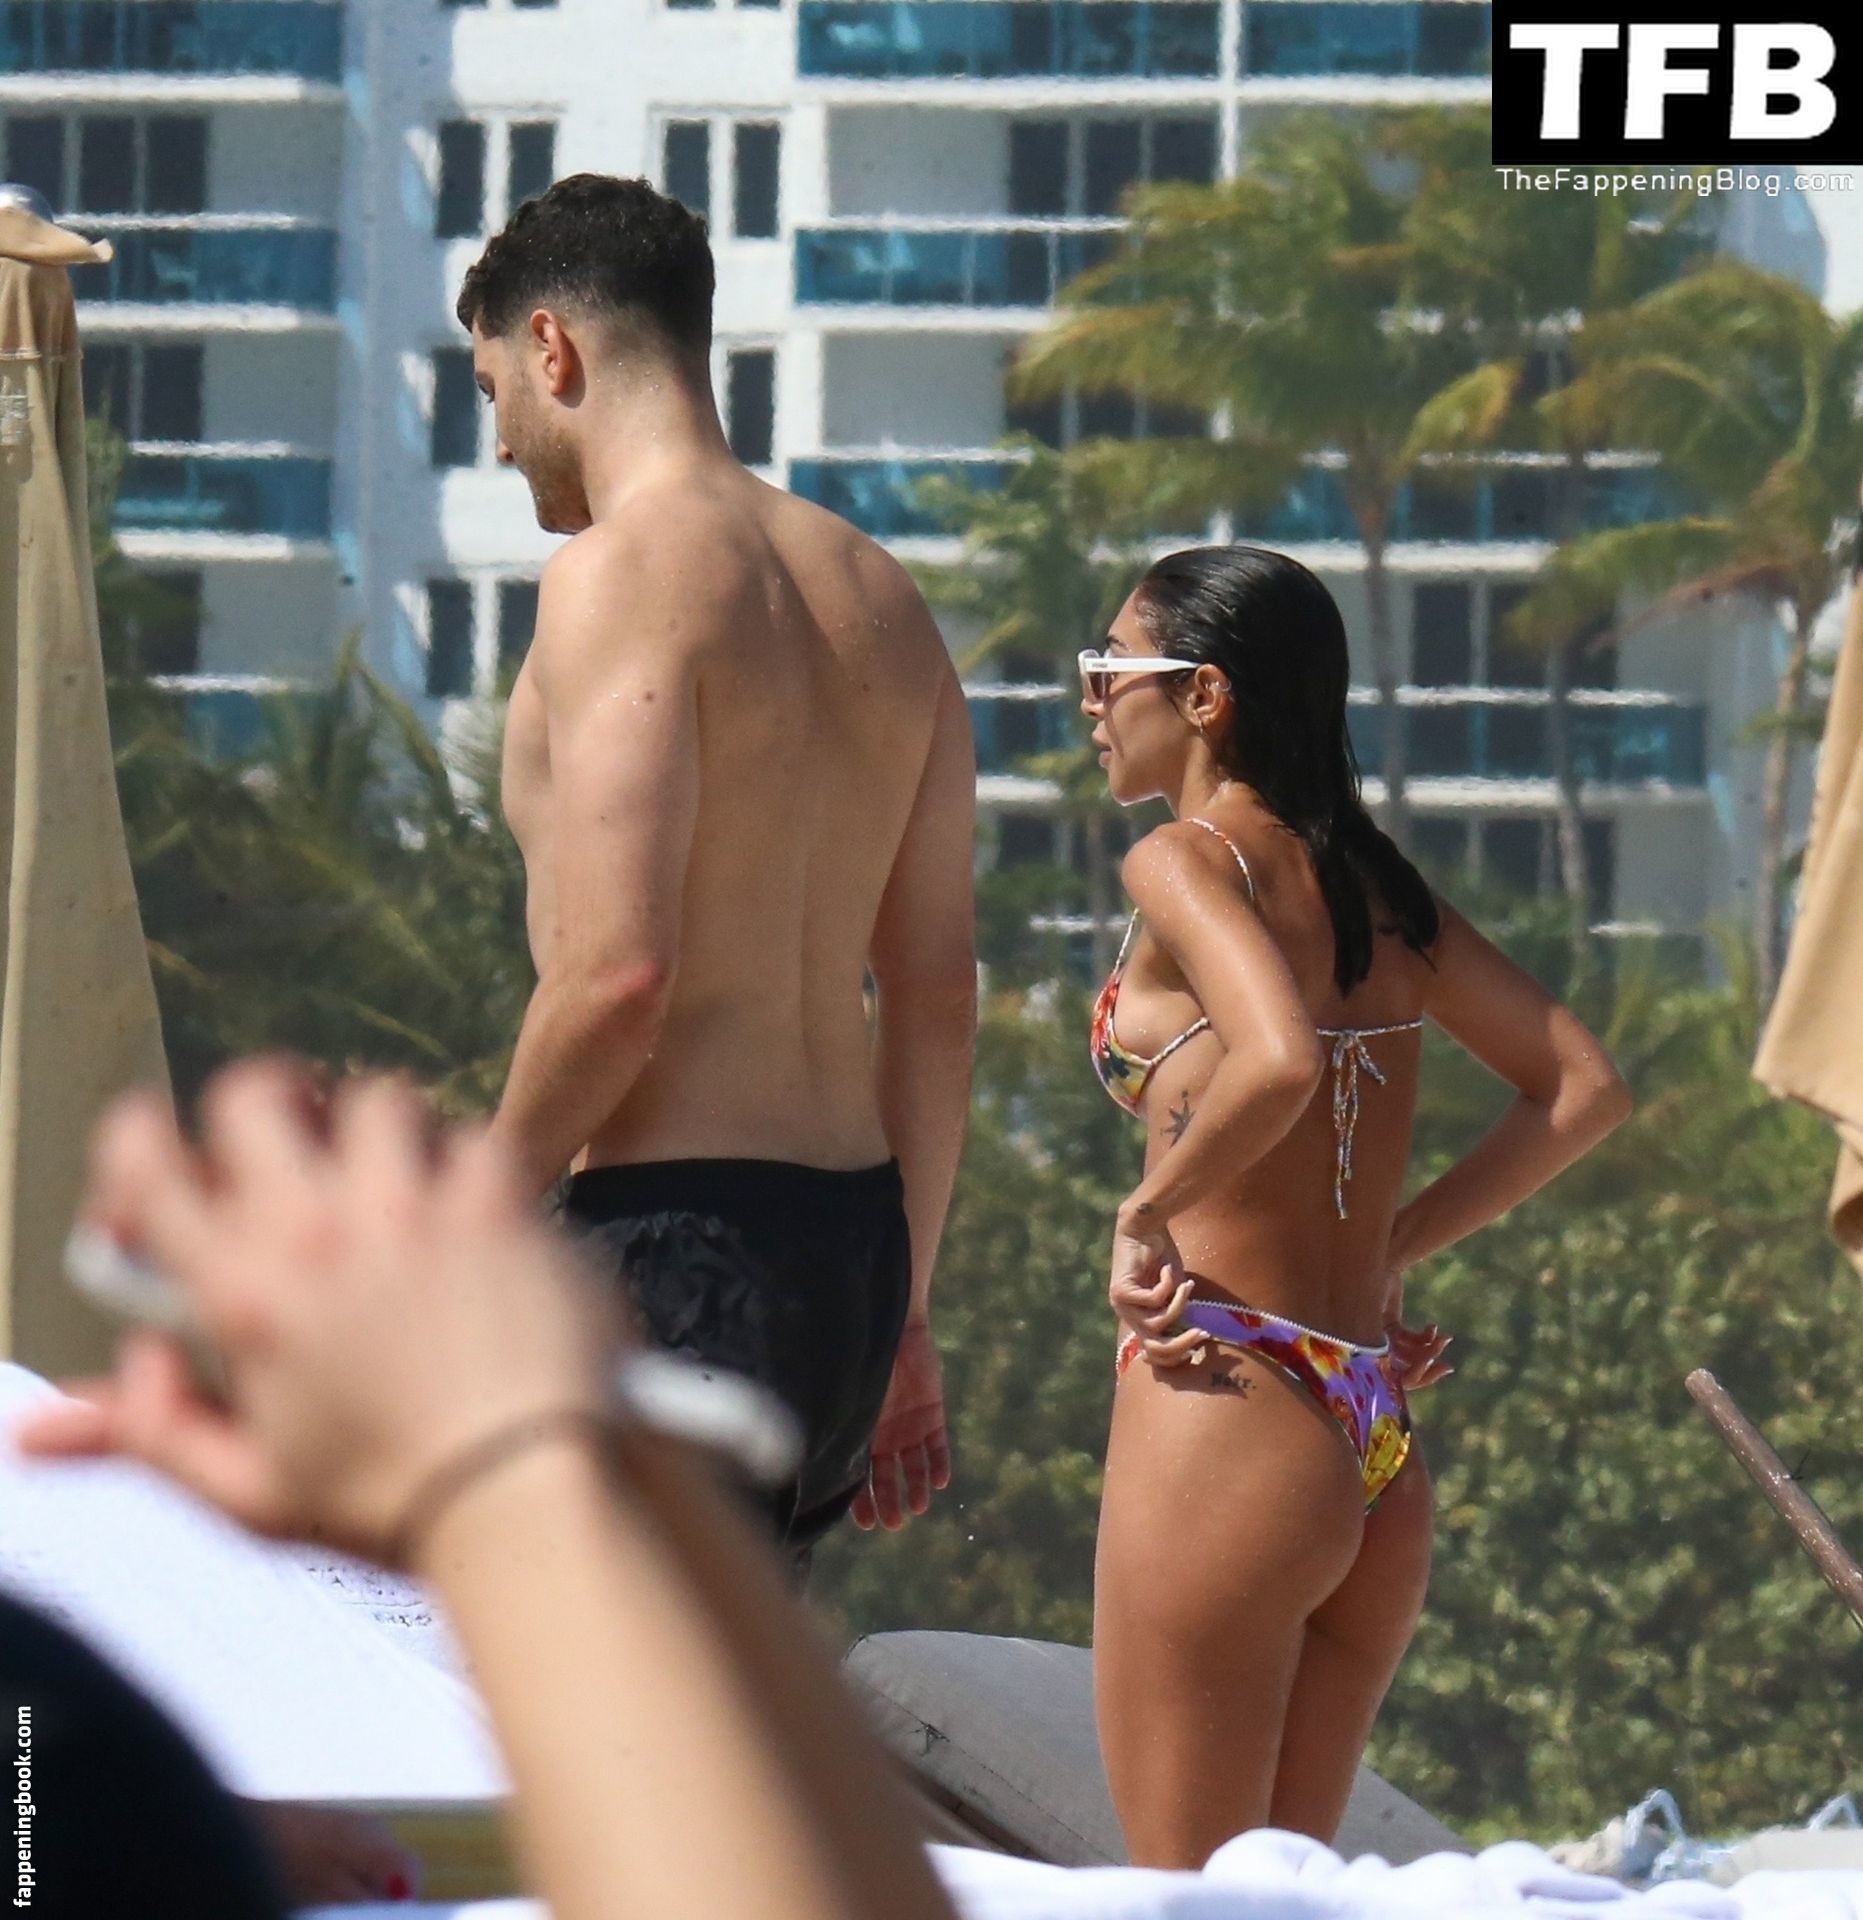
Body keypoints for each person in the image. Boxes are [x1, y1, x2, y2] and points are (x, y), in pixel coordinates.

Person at [17, 1063, 959, 1920]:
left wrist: (512, 1446)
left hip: (699, 1222)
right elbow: (631, 978)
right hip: (848, 1217)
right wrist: (508, 1447)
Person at [1082, 547, 1632, 1867]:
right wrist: (1392, 1244)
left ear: (1204, 695)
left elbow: (1275, 1058)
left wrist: (1146, 1212)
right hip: (1367, 1425)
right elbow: (1581, 1089)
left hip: (1227, 1400)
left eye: (1109, 669)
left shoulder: (1183, 862)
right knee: (1287, 1896)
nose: (1091, 701)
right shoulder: (1379, 891)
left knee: (1189, 1897)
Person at [456, 175, 977, 1558]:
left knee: (600, 1693)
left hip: (680, 1253)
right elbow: (935, 998)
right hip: (852, 1264)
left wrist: (462, 1226)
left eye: (491, 390)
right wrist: (906, 1313)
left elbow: (617, 977)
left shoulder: (619, 576)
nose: (499, 441)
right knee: (733, 1688)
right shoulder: (883, 597)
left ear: (553, 348)